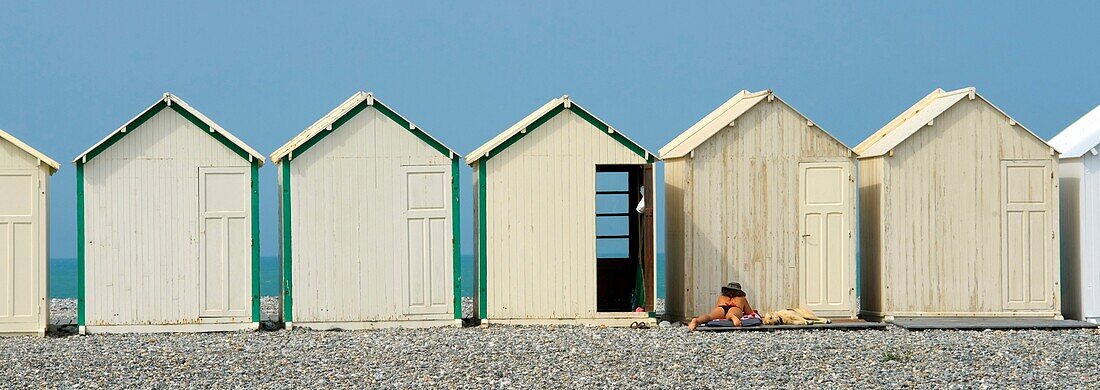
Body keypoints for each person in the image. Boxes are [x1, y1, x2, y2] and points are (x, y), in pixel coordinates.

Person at [687, 282, 757, 331]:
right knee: (732, 313)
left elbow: (717, 307)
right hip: (735, 308)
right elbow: (749, 313)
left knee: (710, 316)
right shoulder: (741, 298)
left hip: (721, 308)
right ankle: (731, 316)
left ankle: (696, 320)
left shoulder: (721, 297)